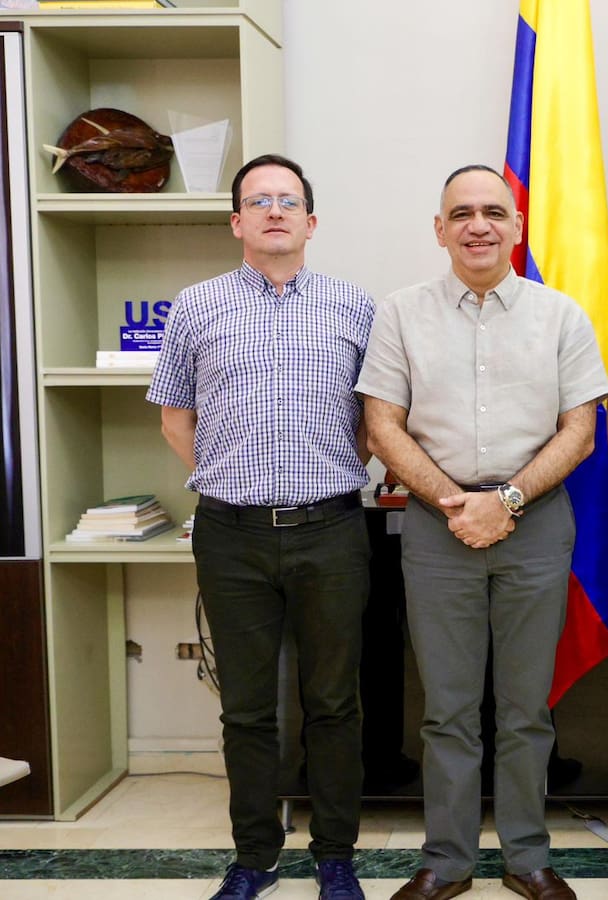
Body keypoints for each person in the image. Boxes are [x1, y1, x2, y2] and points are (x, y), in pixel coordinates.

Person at [356, 164, 608, 900]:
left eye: (494, 212)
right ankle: (448, 861)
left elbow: (580, 431)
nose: (478, 225)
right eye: (462, 213)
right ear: (440, 230)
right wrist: (455, 503)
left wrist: (506, 500)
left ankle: (527, 857)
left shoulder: (561, 316)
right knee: (448, 710)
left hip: (535, 525)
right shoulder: (400, 314)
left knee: (527, 709)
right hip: (437, 529)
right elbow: (382, 425)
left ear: (516, 226)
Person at [147, 154, 375, 900]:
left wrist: (332, 471)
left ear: (311, 221)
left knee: (334, 702)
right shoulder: (195, 306)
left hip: (331, 530)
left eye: (288, 200)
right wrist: (228, 477)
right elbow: (176, 418)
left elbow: (374, 421)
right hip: (232, 536)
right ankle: (254, 859)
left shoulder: (355, 306)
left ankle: (335, 855)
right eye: (259, 200)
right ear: (236, 222)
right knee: (245, 708)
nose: (275, 210)